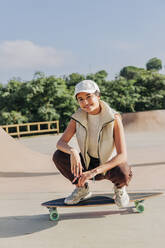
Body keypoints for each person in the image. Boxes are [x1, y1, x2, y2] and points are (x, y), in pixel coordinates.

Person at [53, 80, 132, 207]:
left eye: (89, 97)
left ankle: (120, 189)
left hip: (107, 165)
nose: (85, 102)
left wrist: (94, 172)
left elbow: (122, 155)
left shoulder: (114, 118)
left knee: (123, 171)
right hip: (87, 162)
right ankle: (82, 188)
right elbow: (60, 143)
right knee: (59, 156)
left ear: (98, 96)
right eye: (80, 99)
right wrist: (72, 151)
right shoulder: (77, 118)